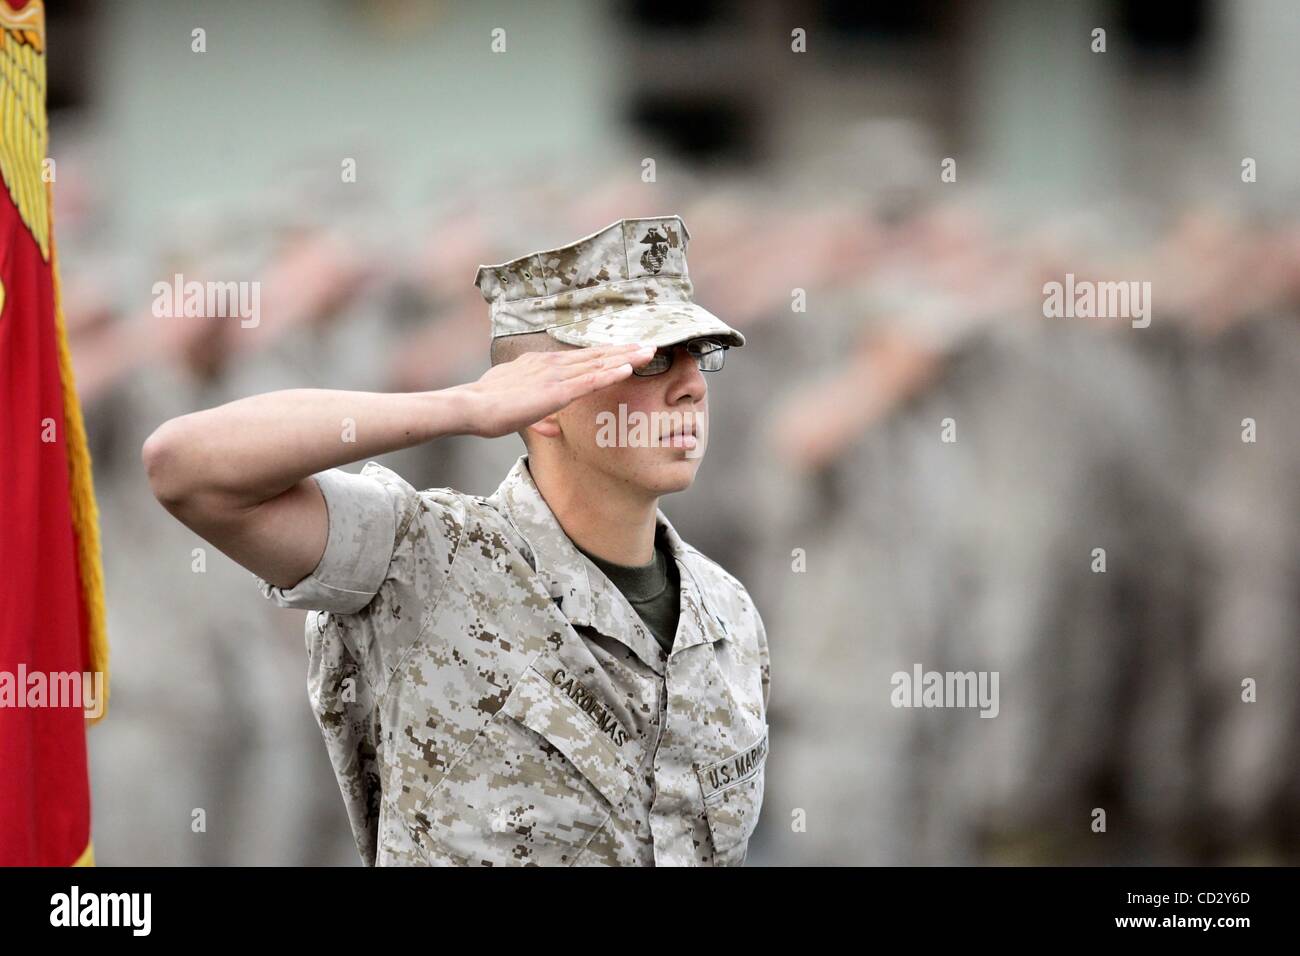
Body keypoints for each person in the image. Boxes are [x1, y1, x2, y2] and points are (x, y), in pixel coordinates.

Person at [142, 215, 771, 866]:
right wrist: (464, 406)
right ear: (545, 402)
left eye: (703, 354)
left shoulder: (727, 614)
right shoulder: (431, 557)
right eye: (654, 359)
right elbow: (185, 466)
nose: (693, 385)